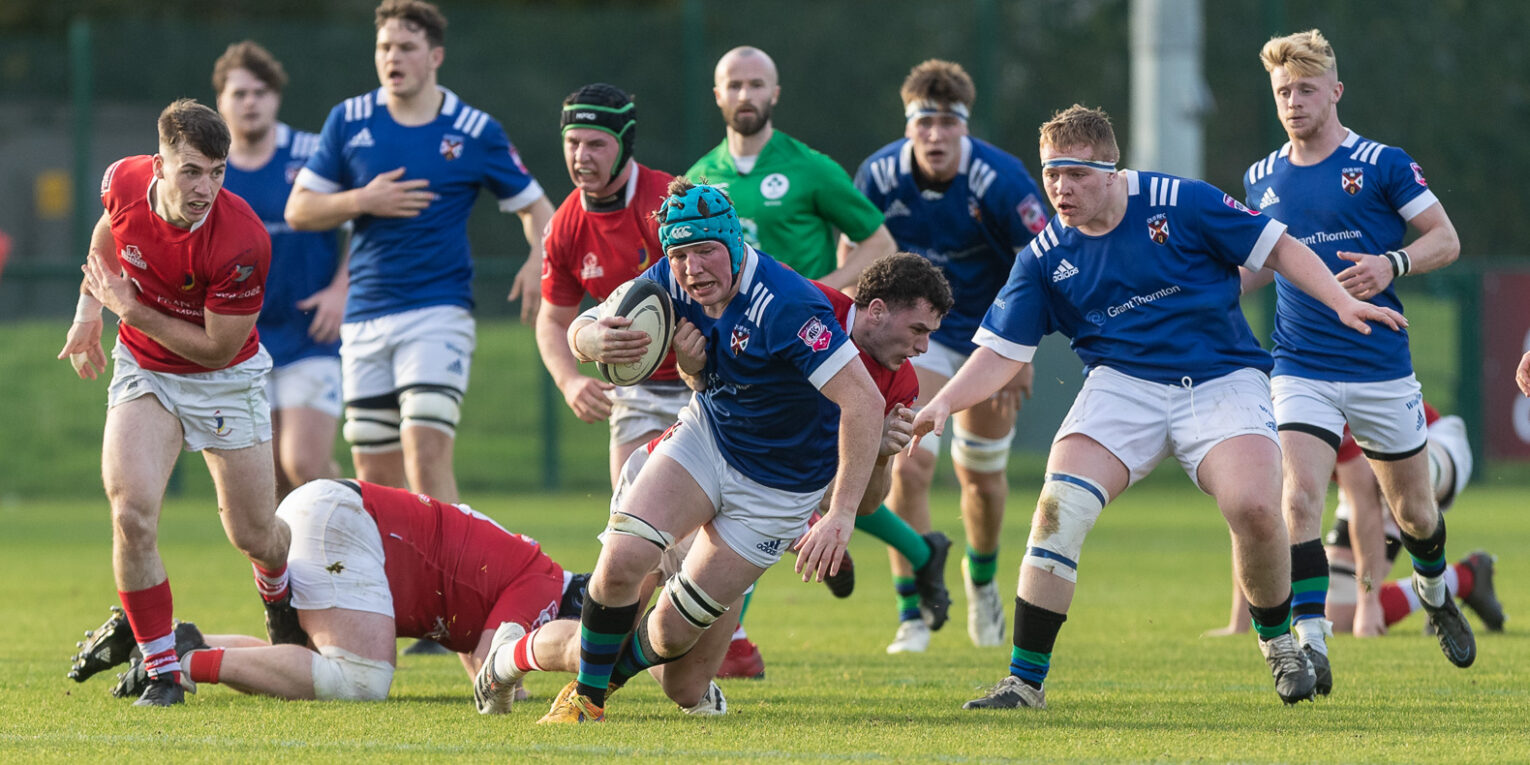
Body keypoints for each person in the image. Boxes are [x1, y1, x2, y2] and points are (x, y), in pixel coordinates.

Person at [913, 104, 1405, 710]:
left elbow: (1280, 247)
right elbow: (999, 353)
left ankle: (1279, 645)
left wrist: (1339, 302)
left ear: (1113, 171)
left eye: (1077, 175)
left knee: (1255, 508)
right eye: (1051, 176)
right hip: (1121, 386)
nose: (1061, 190)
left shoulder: (1182, 201)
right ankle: (1023, 681)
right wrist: (940, 404)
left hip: (1222, 378)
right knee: (1057, 510)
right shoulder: (1044, 256)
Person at [473, 252, 955, 710]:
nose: (922, 347)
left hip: (753, 510)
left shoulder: (900, 384)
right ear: (875, 311)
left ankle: (599, 688)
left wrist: (878, 457)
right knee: (598, 639)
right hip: (692, 472)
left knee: (684, 683)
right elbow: (712, 387)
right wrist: (664, 358)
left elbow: (865, 502)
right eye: (917, 329)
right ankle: (511, 661)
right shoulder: (801, 308)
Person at [530, 179, 883, 723]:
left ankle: (599, 680)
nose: (692, 269)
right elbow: (587, 319)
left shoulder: (788, 304)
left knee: (674, 640)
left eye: (704, 252)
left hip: (779, 488)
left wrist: (838, 515)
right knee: (622, 561)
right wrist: (590, 341)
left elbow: (863, 402)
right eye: (679, 255)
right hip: (709, 438)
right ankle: (586, 699)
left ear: (734, 243)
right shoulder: (670, 281)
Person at [1239, 29, 1470, 691]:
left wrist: (1390, 261)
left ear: (1335, 92)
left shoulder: (1382, 163)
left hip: (1378, 367)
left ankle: (1432, 587)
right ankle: (1312, 643)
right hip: (1299, 365)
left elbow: (1445, 239)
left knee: (1417, 515)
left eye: (1305, 89)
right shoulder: (1261, 177)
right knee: (1299, 498)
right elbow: (1258, 264)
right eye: (1282, 91)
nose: (1292, 101)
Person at [56, 98, 293, 707]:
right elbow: (109, 229)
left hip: (225, 380)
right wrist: (89, 312)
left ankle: (279, 595)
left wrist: (127, 309)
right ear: (157, 163)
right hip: (147, 369)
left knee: (254, 535)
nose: (205, 187)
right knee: (131, 512)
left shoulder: (243, 240)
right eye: (191, 170)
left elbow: (217, 349)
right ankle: (162, 669)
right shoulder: (122, 180)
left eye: (217, 172)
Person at [285, 0, 554, 505]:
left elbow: (541, 212)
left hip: (438, 309)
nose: (393, 57)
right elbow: (299, 209)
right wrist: (364, 199)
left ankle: (453, 581)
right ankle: (397, 585)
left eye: (406, 47)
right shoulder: (349, 119)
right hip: (365, 315)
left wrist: (538, 259)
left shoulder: (474, 130)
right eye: (384, 47)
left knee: (425, 451)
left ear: (435, 57)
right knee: (375, 473)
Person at [851, 59, 1050, 652]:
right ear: (908, 125)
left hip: (992, 332)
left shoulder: (1001, 180)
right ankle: (913, 609)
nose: (935, 136)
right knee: (908, 458)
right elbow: (857, 251)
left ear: (964, 127)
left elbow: (1038, 265)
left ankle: (982, 580)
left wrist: (1021, 352)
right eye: (924, 123)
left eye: (947, 124)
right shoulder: (880, 174)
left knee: (982, 479)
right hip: (922, 333)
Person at [71, 479, 585, 707]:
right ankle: (182, 662)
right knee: (360, 680)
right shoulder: (545, 581)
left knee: (310, 664)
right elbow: (493, 669)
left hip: (340, 516)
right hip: (349, 525)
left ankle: (173, 641)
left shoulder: (533, 570)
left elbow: (482, 657)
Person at [536, 83, 690, 489]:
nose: (581, 156)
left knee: (693, 534)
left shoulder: (669, 205)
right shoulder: (564, 226)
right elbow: (552, 320)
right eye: (572, 143)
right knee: (631, 523)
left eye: (596, 144)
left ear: (624, 145)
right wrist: (569, 380)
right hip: (635, 389)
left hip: (705, 386)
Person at [213, 41, 346, 499]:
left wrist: (340, 290)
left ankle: (364, 527)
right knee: (271, 477)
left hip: (312, 332)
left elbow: (364, 224)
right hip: (243, 340)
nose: (251, 102)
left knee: (304, 462)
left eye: (261, 91)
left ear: (276, 98)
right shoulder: (210, 170)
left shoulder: (313, 154)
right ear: (220, 103)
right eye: (239, 93)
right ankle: (299, 568)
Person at [687, 46, 896, 289]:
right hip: (728, 325)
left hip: (805, 324)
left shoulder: (811, 168)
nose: (745, 96)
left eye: (756, 85)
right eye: (734, 86)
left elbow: (881, 243)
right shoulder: (697, 179)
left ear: (774, 94)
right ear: (718, 95)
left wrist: (821, 290)